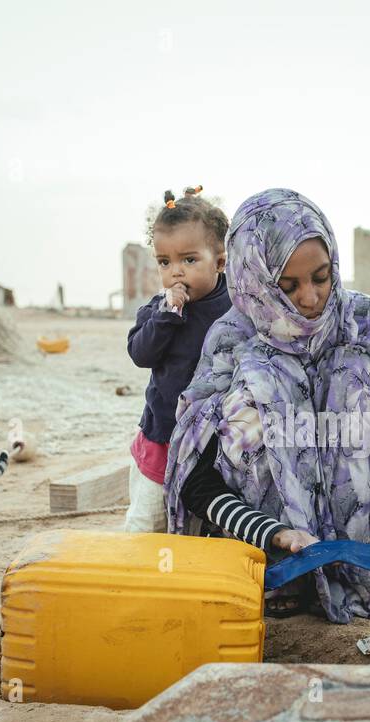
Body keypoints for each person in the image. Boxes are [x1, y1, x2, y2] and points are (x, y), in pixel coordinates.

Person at [166, 187, 370, 622]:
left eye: (322, 277)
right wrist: (276, 534)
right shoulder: (233, 345)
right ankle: (292, 578)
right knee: (262, 376)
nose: (310, 298)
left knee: (352, 370)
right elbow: (196, 480)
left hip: (365, 561)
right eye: (287, 286)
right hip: (267, 555)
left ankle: (352, 572)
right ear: (254, 282)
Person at [124, 187, 231, 533]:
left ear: (220, 261)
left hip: (213, 443)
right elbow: (140, 354)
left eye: (189, 260)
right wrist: (167, 316)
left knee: (202, 523)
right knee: (148, 522)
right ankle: (136, 575)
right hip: (163, 437)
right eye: (164, 262)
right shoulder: (159, 309)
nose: (176, 273)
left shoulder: (237, 307)